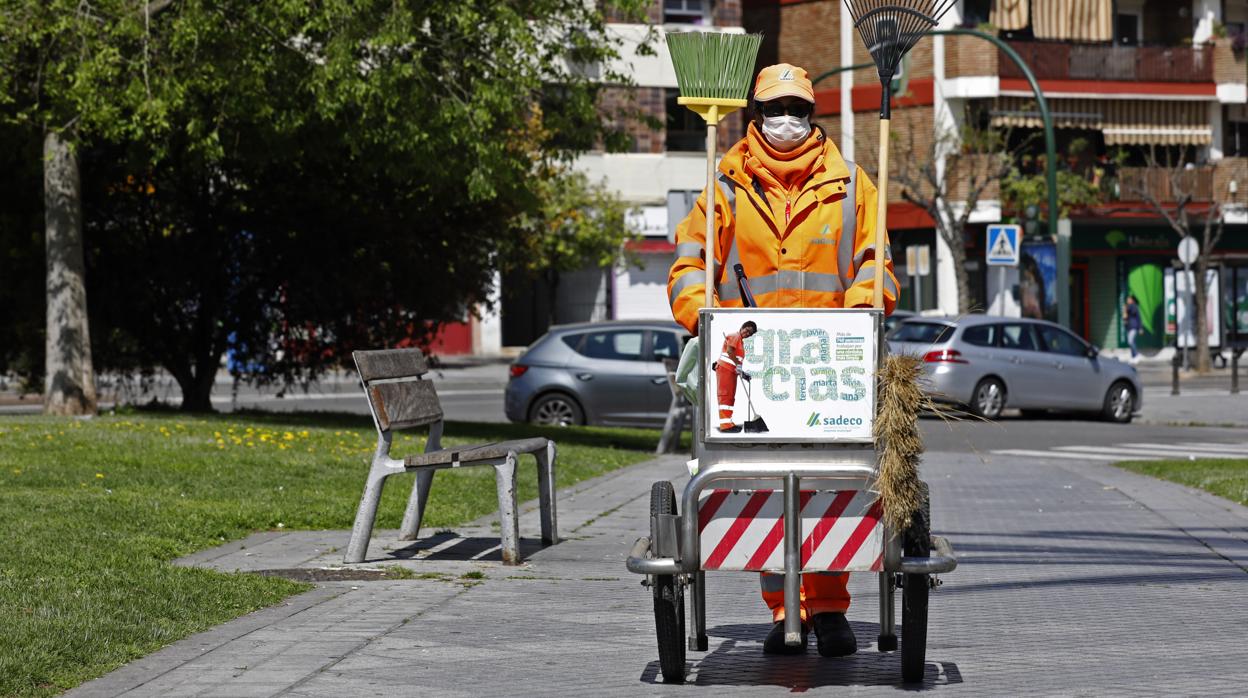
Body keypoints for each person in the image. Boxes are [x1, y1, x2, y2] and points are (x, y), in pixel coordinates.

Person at [666, 63, 898, 657]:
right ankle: (782, 609)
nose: (786, 120)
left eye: (797, 109)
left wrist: (857, 316)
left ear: (812, 116)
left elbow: (876, 264)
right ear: (755, 117)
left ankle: (828, 610)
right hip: (754, 365)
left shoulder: (852, 185)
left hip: (830, 368)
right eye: (776, 110)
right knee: (763, 491)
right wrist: (703, 316)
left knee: (830, 486)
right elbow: (691, 263)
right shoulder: (723, 185)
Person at [715, 321, 757, 433]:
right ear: (742, 327)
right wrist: (737, 364)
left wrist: (742, 373)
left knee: (730, 397)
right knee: (725, 396)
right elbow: (729, 351)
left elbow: (736, 359)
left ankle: (728, 422)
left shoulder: (739, 340)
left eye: (750, 333)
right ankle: (725, 426)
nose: (747, 333)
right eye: (747, 330)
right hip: (725, 370)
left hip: (730, 371)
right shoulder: (735, 336)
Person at [1123, 294, 1142, 362]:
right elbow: (1125, 317)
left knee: (1130, 341)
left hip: (1134, 327)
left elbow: (1138, 318)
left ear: (1132, 300)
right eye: (1127, 299)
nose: (1127, 300)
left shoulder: (1133, 306)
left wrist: (1140, 328)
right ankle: (1133, 356)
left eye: (1129, 299)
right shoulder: (1129, 307)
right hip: (1129, 327)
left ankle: (1136, 355)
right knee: (1131, 342)